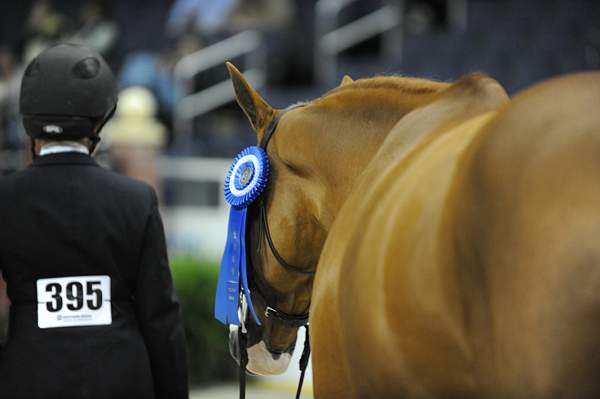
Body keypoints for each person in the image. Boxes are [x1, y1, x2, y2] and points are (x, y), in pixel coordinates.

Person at [0, 43, 188, 399]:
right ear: (99, 121)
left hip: (28, 379)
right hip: (121, 381)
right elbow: (161, 318)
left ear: (28, 124)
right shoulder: (137, 200)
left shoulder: (4, 200)